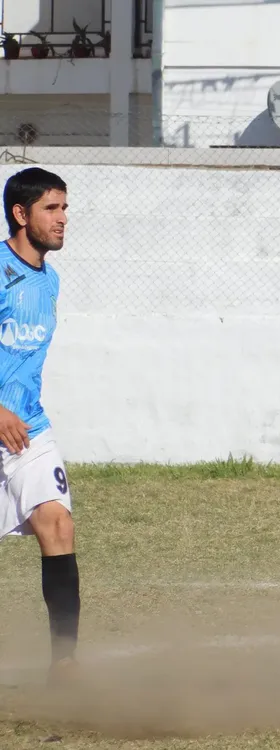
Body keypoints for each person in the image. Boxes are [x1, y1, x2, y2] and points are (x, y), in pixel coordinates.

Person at [1, 168, 79, 679]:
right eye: (51, 208)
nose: (62, 218)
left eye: (64, 208)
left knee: (58, 524)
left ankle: (65, 665)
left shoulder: (49, 280)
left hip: (28, 429)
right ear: (20, 213)